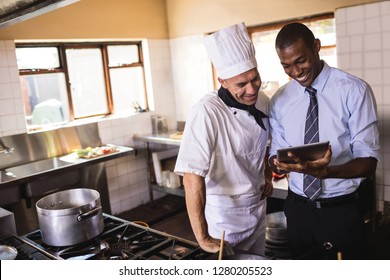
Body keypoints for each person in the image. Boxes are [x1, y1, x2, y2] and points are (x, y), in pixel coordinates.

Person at [268, 22, 380, 259]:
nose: (296, 72)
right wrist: (277, 164)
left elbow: (368, 163)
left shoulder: (354, 91)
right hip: (297, 211)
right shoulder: (280, 100)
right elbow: (275, 153)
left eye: (301, 61)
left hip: (340, 211)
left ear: (316, 47)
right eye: (287, 66)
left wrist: (325, 172)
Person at [174, 22, 273, 255]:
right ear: (223, 82)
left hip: (257, 210)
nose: (251, 89)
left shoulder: (263, 101)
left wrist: (267, 174)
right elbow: (191, 177)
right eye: (241, 84)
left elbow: (265, 143)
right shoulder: (206, 112)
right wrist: (202, 237)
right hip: (224, 218)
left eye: (255, 78)